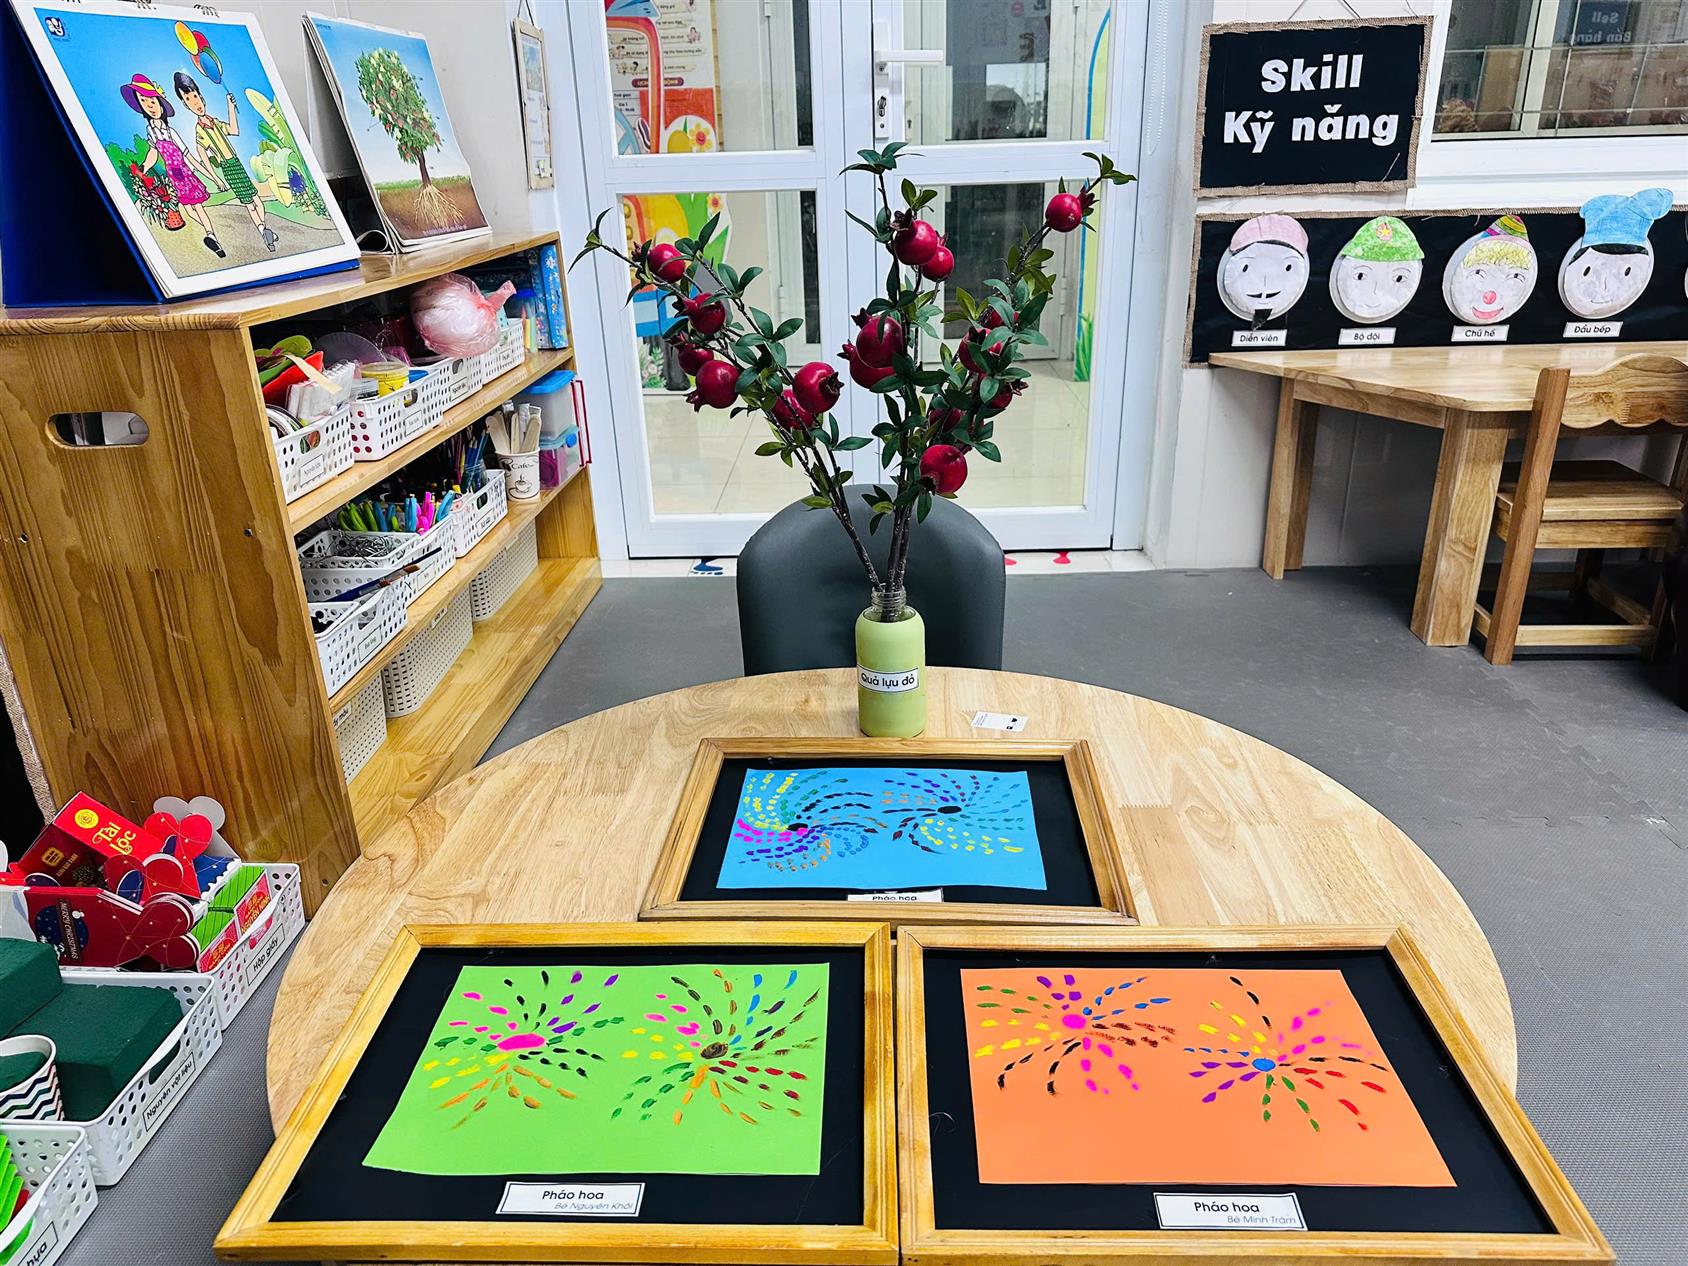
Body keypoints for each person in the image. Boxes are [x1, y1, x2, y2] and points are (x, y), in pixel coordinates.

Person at [120, 73, 224, 258]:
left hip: (184, 174)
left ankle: (211, 236)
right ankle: (210, 233)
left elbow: (189, 157)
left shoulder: (171, 133)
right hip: (173, 178)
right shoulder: (151, 131)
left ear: (161, 105)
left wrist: (214, 178)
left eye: (152, 101)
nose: (149, 106)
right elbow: (153, 153)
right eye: (144, 101)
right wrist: (143, 168)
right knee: (188, 210)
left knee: (198, 207)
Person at [174, 71, 278, 253]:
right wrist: (216, 179)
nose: (195, 103)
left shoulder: (214, 122)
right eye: (189, 100)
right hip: (228, 168)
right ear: (185, 105)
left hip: (236, 163)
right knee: (249, 202)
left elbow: (234, 130)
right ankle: (264, 230)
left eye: (195, 97)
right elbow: (203, 157)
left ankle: (264, 230)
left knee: (255, 198)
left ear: (202, 98)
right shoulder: (200, 131)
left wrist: (230, 106)